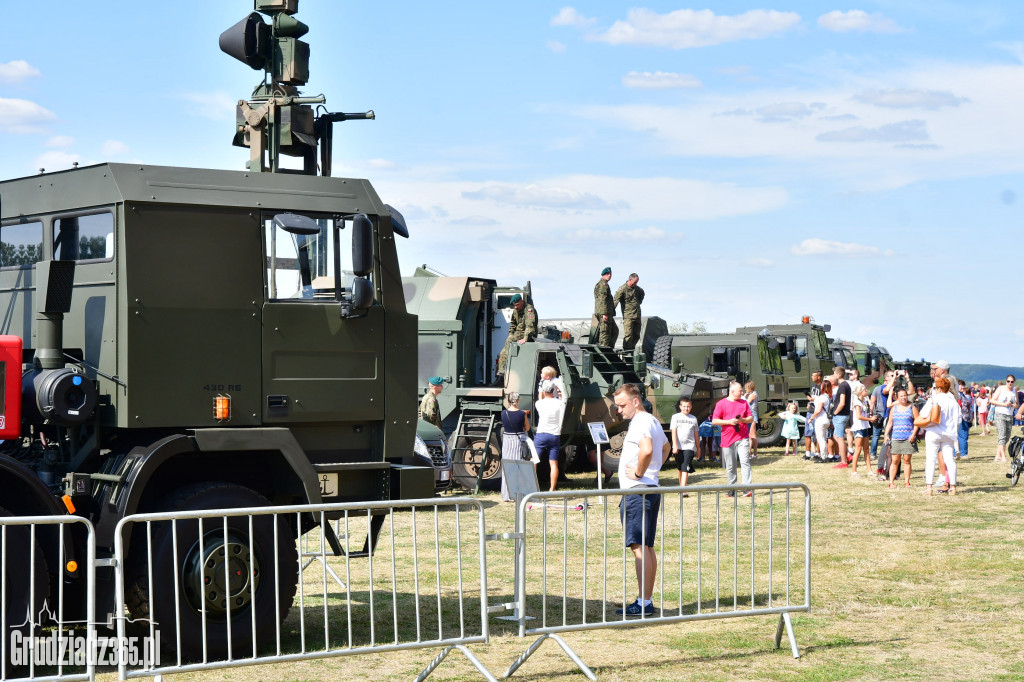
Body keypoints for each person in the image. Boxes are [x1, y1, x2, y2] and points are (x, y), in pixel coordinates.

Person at [613, 383, 670, 616]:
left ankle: (644, 602)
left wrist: (639, 473)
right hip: (648, 488)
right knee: (646, 547)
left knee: (639, 547)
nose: (619, 410)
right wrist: (652, 471)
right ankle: (646, 600)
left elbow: (647, 449)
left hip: (638, 490)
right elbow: (666, 448)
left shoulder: (640, 422)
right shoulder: (653, 421)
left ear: (635, 402)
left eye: (622, 405)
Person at [915, 377, 961, 495]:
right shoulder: (954, 402)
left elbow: (924, 414)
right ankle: (953, 487)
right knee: (950, 460)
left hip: (933, 432)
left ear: (939, 388)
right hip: (949, 434)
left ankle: (929, 488)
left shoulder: (934, 399)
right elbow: (958, 420)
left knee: (930, 460)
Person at [712, 381, 754, 496]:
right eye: (740, 390)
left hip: (743, 437)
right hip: (727, 438)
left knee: (745, 462)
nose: (742, 392)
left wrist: (742, 420)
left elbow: (751, 418)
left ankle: (747, 489)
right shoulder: (721, 404)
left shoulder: (744, 403)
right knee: (730, 466)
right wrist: (729, 422)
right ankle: (732, 488)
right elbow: (715, 420)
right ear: (732, 391)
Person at [532, 381, 565, 492]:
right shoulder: (560, 403)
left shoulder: (539, 404)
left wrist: (540, 389)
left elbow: (539, 397)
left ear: (544, 391)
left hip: (541, 434)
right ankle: (552, 488)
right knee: (553, 463)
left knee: (535, 461)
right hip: (554, 435)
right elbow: (563, 399)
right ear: (553, 391)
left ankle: (533, 486)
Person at [499, 392, 531, 502]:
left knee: (507, 467)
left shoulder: (504, 413)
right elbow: (527, 428)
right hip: (518, 441)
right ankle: (518, 494)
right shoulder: (522, 414)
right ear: (517, 400)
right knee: (519, 467)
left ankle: (506, 495)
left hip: (507, 441)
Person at [885, 388, 919, 489]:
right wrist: (886, 434)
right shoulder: (894, 408)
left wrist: (913, 435)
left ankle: (907, 482)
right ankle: (891, 482)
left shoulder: (912, 407)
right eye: (901, 396)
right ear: (897, 397)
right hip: (896, 437)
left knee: (907, 460)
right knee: (895, 460)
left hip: (908, 438)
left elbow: (917, 421)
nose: (904, 398)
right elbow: (890, 422)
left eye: (905, 395)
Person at [497, 293, 538, 376]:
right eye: (514, 305)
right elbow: (513, 323)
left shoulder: (529, 310)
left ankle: (502, 371)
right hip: (518, 333)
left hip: (527, 333)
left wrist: (525, 338)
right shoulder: (516, 310)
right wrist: (511, 333)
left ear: (522, 301)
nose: (515, 307)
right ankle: (501, 371)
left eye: (517, 305)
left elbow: (530, 325)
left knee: (508, 344)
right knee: (504, 350)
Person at [670, 397, 700, 491]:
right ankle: (681, 487)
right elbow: (673, 431)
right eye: (684, 406)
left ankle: (683, 490)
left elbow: (696, 434)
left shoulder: (693, 419)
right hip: (678, 446)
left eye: (688, 407)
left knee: (685, 466)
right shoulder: (675, 417)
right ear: (680, 407)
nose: (686, 408)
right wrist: (674, 445)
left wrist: (698, 448)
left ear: (691, 407)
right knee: (680, 467)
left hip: (689, 446)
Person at [613, 273, 645, 352]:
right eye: (634, 282)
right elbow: (615, 301)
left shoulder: (637, 289)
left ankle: (631, 349)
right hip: (628, 316)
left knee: (636, 335)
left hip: (637, 315)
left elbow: (642, 293)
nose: (635, 284)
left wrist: (639, 302)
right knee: (629, 336)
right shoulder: (622, 289)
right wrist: (609, 312)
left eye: (636, 282)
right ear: (630, 279)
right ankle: (627, 351)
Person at [990, 375, 1018, 463]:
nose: (1010, 383)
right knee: (1002, 435)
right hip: (1000, 414)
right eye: (1008, 381)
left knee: (1007, 436)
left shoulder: (1014, 391)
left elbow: (1017, 404)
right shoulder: (1001, 389)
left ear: (1014, 382)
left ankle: (998, 455)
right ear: (1006, 381)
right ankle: (1003, 456)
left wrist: (1014, 405)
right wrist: (1004, 404)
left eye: (1012, 381)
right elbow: (992, 400)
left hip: (1009, 414)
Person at [829, 367, 852, 467]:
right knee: (836, 436)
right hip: (844, 414)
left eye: (834, 373)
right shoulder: (845, 385)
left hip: (840, 415)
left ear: (839, 375)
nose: (833, 375)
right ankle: (848, 455)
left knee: (840, 438)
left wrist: (835, 413)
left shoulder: (843, 386)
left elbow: (842, 402)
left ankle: (844, 462)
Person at [592, 267, 618, 348]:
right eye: (607, 274)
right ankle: (603, 353)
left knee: (614, 331)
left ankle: (608, 350)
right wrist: (604, 314)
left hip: (608, 313)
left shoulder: (605, 284)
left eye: (610, 274)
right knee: (605, 333)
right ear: (603, 275)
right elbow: (602, 300)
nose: (609, 276)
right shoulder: (602, 285)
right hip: (604, 313)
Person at [809, 380, 834, 462]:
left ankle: (823, 457)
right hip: (827, 419)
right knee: (823, 438)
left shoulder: (822, 397)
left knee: (821, 439)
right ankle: (825, 455)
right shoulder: (829, 397)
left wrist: (811, 418)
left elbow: (818, 410)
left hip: (820, 419)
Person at [850, 385, 872, 475]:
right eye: (865, 390)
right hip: (859, 427)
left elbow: (865, 413)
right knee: (858, 449)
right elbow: (859, 416)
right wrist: (870, 419)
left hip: (865, 426)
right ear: (861, 392)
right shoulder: (857, 402)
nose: (867, 391)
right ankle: (854, 471)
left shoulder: (865, 401)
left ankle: (869, 470)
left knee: (866, 449)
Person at [957, 380, 974, 459]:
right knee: (963, 435)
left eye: (963, 385)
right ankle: (963, 453)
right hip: (961, 418)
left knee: (962, 435)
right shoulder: (958, 395)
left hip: (966, 418)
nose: (963, 387)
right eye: (961, 385)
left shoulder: (962, 395)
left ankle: (960, 452)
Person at [743, 381, 759, 458]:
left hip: (752, 416)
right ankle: (754, 453)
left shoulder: (753, 395)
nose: (745, 389)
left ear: (749, 387)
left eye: (746, 388)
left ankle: (749, 454)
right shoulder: (755, 393)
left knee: (751, 436)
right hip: (753, 416)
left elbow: (746, 403)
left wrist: (744, 396)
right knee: (753, 435)